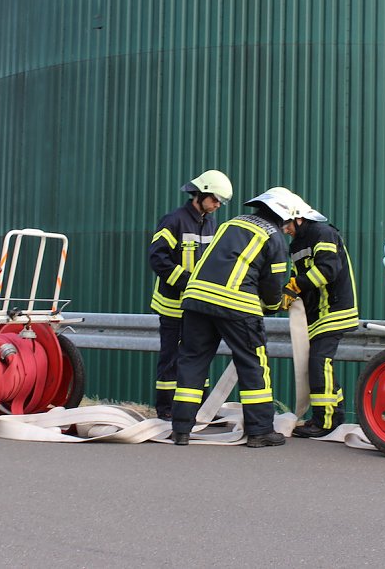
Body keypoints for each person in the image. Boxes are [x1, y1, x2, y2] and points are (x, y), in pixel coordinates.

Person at [170, 186, 301, 447]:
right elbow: (273, 283)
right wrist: (274, 305)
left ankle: (181, 430)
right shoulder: (273, 235)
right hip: (237, 304)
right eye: (288, 222)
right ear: (282, 214)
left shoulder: (231, 223)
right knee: (253, 364)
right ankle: (260, 431)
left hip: (197, 300)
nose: (288, 228)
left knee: (192, 361)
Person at [148, 170, 233, 420]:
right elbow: (157, 258)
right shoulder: (173, 220)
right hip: (173, 304)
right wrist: (187, 282)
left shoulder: (210, 222)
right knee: (171, 358)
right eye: (215, 199)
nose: (218, 205)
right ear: (201, 193)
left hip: (197, 304)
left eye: (221, 202)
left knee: (198, 356)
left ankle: (199, 408)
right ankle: (165, 409)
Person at [280, 194, 359, 438]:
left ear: (299, 217)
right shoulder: (296, 245)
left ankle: (323, 421)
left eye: (287, 223)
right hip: (317, 313)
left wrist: (296, 286)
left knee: (318, 362)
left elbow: (328, 269)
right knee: (321, 365)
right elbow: (300, 279)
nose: (285, 229)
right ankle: (335, 415)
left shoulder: (322, 233)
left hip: (335, 308)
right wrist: (290, 293)